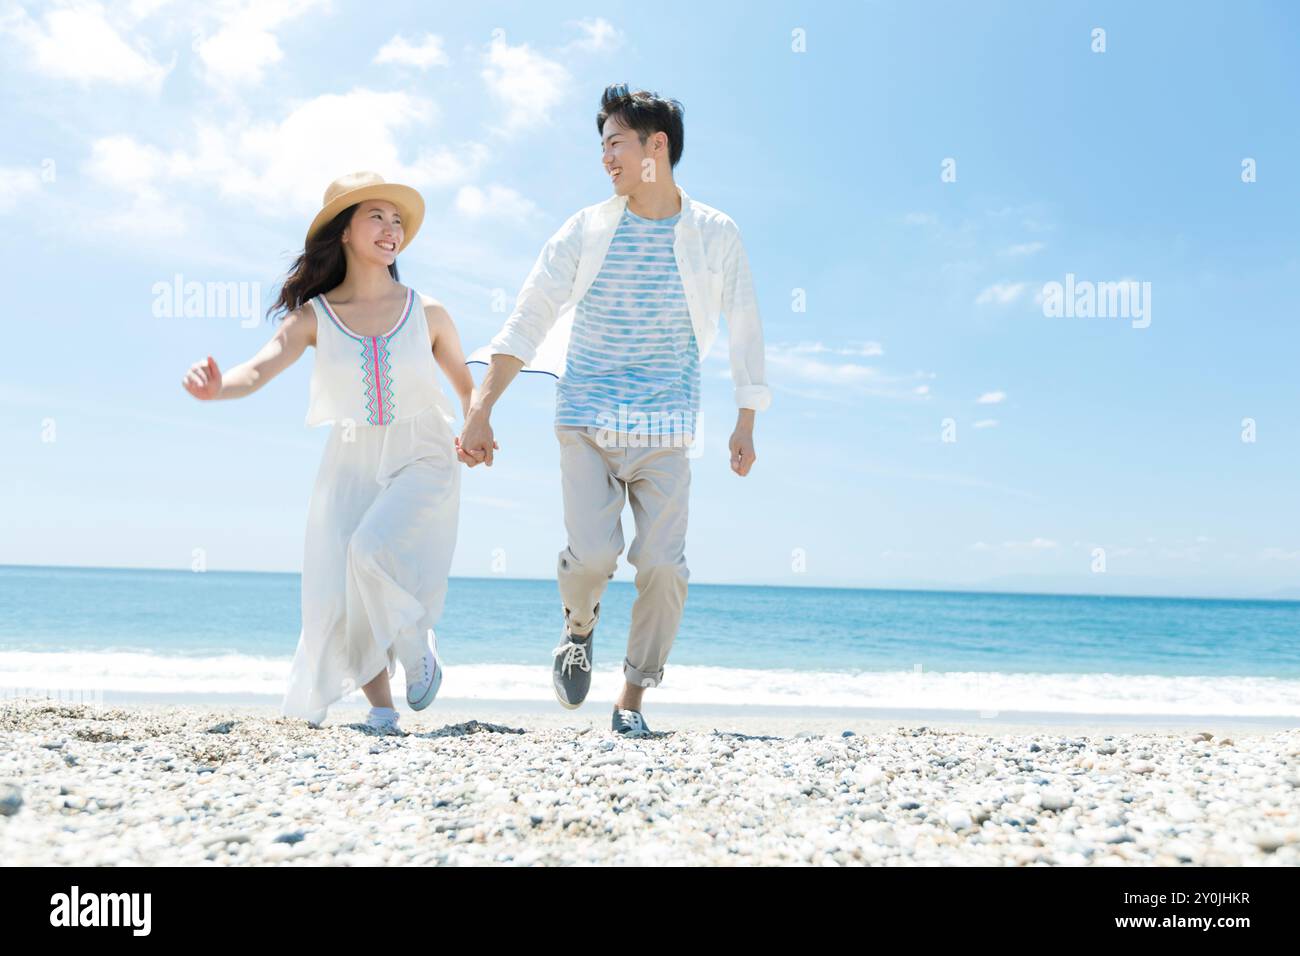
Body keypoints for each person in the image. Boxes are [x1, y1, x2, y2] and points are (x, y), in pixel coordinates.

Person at [460, 85, 771, 738]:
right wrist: (481, 408)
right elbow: (528, 317)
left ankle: (630, 698)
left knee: (662, 567)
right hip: (586, 423)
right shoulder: (585, 230)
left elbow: (745, 325)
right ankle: (578, 631)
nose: (605, 157)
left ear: (657, 146)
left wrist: (746, 419)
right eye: (600, 144)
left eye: (616, 142)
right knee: (594, 557)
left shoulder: (715, 233)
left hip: (666, 430)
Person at [181, 171, 476, 734]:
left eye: (398, 221)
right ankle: (381, 709)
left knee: (370, 549)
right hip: (350, 458)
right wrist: (218, 387)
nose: (391, 230)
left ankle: (416, 644)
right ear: (344, 231)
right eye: (377, 217)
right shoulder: (315, 316)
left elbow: (465, 385)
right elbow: (261, 365)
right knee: (341, 585)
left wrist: (477, 425)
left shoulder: (428, 311)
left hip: (424, 448)